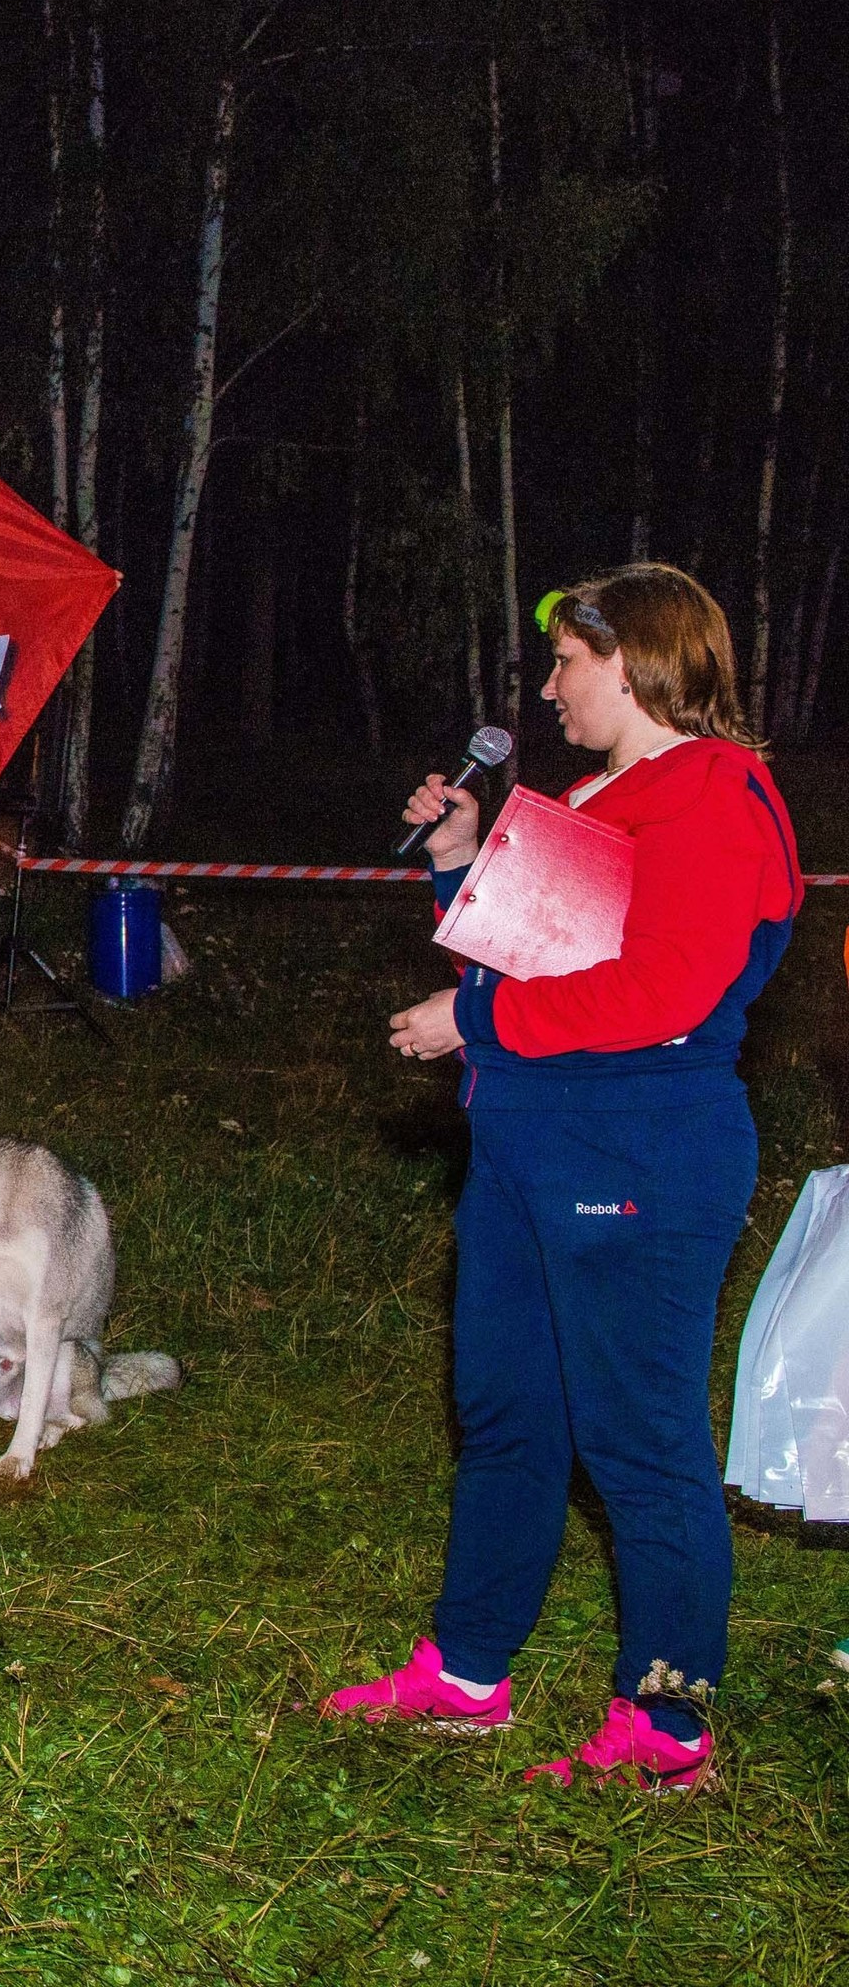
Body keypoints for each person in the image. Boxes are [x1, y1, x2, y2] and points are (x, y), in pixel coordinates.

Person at [328, 562, 801, 1792]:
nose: (546, 689)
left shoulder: (711, 798)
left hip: (637, 1155)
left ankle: (667, 1722)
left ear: (637, 661)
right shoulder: (605, 793)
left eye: (566, 663)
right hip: (529, 1154)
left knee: (638, 1441)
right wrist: (460, 854)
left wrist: (472, 1022)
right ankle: (467, 1671)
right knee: (507, 1416)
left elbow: (662, 993)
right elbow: (526, 956)